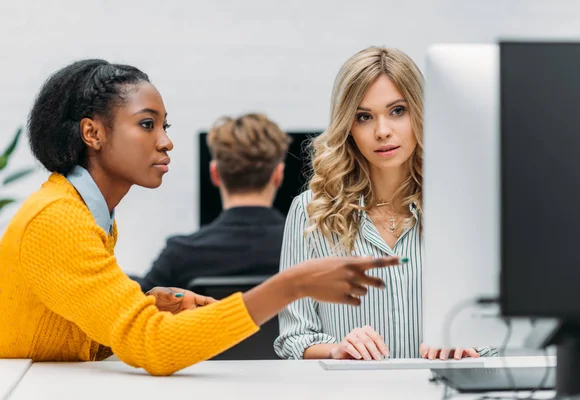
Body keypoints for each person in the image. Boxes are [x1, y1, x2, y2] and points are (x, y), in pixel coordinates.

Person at [0, 59, 403, 375]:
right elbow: (152, 347)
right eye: (147, 124)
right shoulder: (58, 219)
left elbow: (72, 336)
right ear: (93, 134)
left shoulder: (86, 215)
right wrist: (291, 285)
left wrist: (148, 304)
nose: (166, 140)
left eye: (164, 125)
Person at [274, 47, 496, 361]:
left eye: (397, 111)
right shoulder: (311, 211)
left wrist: (468, 345)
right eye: (364, 117)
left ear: (419, 112)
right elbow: (294, 338)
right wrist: (337, 349)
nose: (382, 131)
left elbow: (498, 334)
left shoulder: (463, 210)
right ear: (348, 127)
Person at [132, 113, 291, 293]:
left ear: (214, 174)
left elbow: (140, 303)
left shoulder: (180, 254)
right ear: (279, 175)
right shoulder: (307, 250)